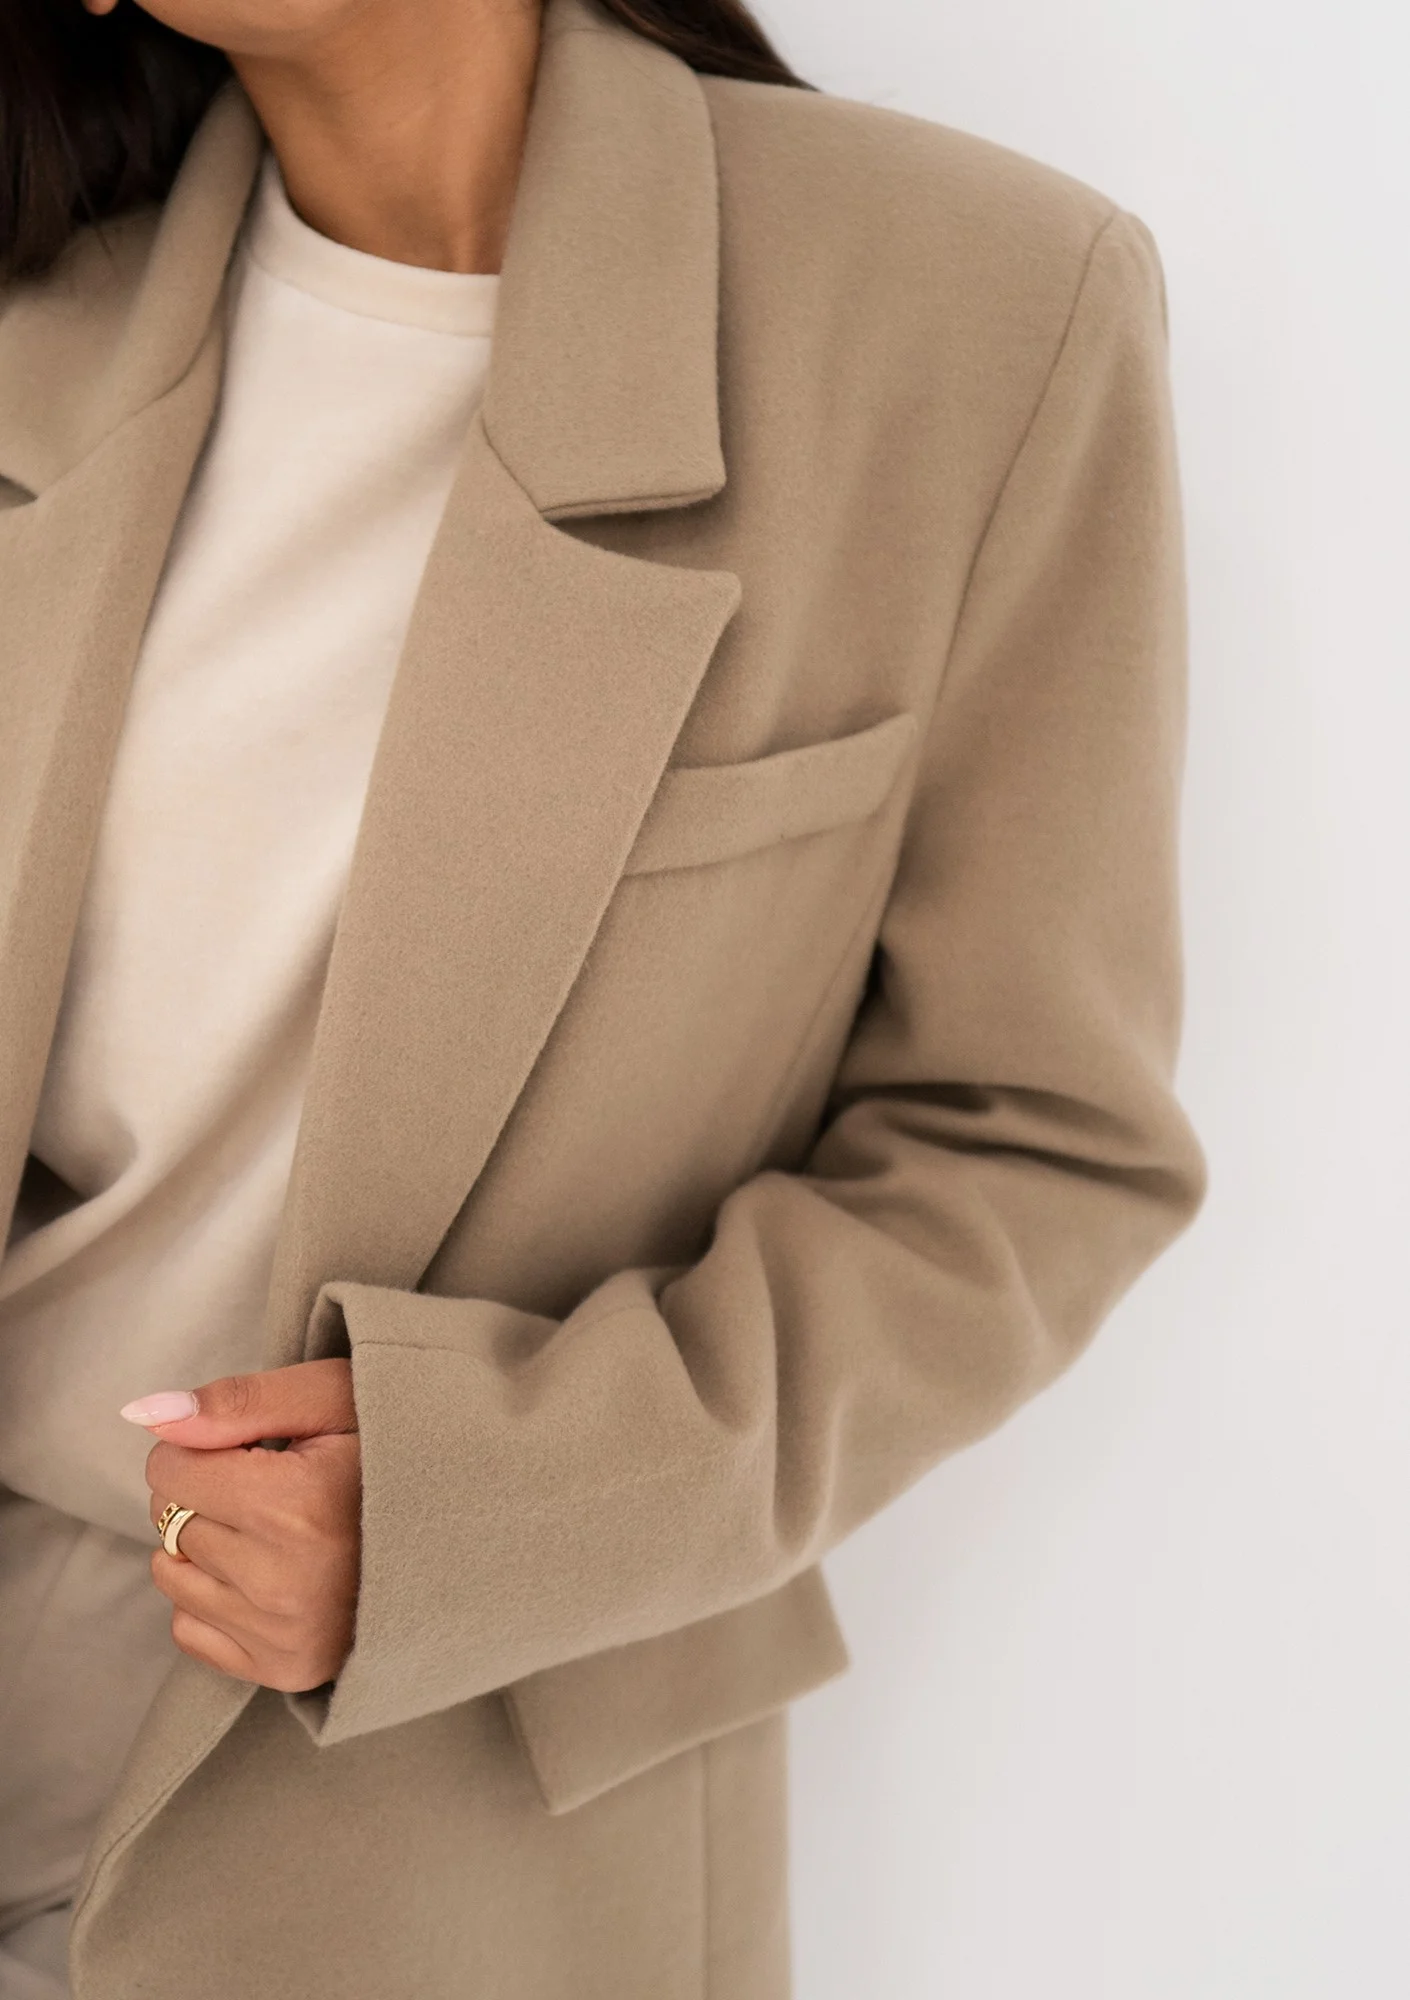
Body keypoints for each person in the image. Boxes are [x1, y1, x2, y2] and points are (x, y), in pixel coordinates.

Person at [0, 0, 1208, 1993]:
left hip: (461, 1860)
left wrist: (482, 1510)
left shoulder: (973, 309)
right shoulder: (46, 312)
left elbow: (1033, 1146)